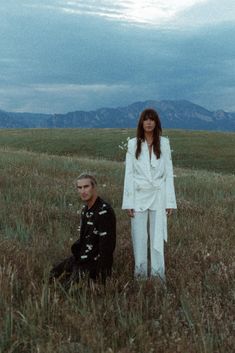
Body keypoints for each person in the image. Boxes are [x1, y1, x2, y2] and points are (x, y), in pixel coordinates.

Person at [122, 108, 177, 280]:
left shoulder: (165, 143)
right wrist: (128, 202)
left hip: (158, 196)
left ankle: (158, 277)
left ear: (156, 123)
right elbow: (129, 174)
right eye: (145, 119)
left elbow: (168, 172)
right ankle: (140, 276)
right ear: (141, 122)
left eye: (152, 119)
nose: (148, 122)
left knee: (157, 237)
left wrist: (169, 201)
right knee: (139, 237)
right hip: (138, 195)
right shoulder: (132, 144)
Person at [50, 173, 116, 288]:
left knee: (66, 288)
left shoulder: (104, 211)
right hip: (82, 258)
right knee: (52, 273)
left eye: (86, 187)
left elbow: (107, 248)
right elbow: (83, 240)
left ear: (94, 188)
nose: (83, 191)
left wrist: (101, 278)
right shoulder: (85, 211)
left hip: (94, 264)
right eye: (79, 188)